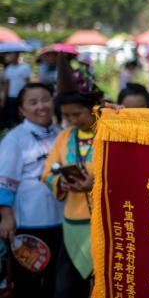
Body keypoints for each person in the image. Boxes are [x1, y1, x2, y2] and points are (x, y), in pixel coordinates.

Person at [42, 54, 103, 298]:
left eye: (77, 114)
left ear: (93, 109)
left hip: (104, 224)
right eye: (66, 115)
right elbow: (47, 173)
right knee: (66, 288)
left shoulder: (110, 135)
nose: (70, 120)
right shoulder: (65, 137)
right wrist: (62, 181)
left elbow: (124, 175)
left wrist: (95, 184)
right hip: (72, 223)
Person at [0, 83, 63, 298]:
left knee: (57, 281)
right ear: (21, 109)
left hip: (62, 220)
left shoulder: (63, 134)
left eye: (45, 99)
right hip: (29, 224)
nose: (41, 106)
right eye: (33, 102)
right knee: (29, 283)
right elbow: (4, 181)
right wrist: (6, 217)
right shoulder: (15, 139)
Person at [0, 53, 32, 130]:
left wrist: (27, 94)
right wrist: (4, 98)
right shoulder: (8, 69)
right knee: (12, 116)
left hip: (22, 95)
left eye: (11, 55)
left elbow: (27, 82)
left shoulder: (25, 67)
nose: (9, 57)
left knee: (22, 114)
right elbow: (6, 84)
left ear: (17, 56)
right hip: (11, 96)